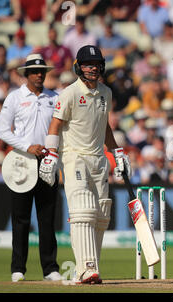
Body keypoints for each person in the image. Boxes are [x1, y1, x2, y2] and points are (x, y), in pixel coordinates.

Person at [38, 45, 131, 284]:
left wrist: (117, 151)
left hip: (99, 158)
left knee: (102, 214)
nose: (93, 68)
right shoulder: (69, 93)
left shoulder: (106, 93)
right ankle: (85, 269)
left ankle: (91, 269)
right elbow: (55, 125)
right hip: (74, 156)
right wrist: (51, 155)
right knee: (83, 210)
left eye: (97, 64)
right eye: (88, 64)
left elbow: (104, 126)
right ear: (78, 66)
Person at [0, 54, 61, 282]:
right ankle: (18, 268)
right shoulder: (15, 98)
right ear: (26, 74)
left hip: (47, 161)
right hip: (22, 162)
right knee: (21, 218)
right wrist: (27, 146)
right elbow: (3, 131)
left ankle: (50, 268)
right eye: (34, 71)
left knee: (47, 217)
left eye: (42, 71)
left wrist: (55, 154)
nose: (39, 74)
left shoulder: (55, 97)